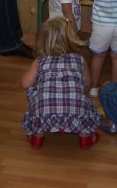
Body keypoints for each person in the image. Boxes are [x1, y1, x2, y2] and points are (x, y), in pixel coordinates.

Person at [20, 16, 101, 149]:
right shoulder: (79, 60)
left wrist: (25, 76)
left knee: (32, 90)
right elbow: (88, 83)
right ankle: (85, 137)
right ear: (70, 39)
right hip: (77, 115)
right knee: (85, 99)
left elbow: (25, 84)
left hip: (44, 115)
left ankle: (37, 136)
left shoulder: (40, 61)